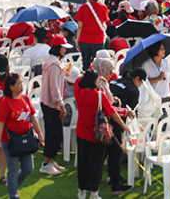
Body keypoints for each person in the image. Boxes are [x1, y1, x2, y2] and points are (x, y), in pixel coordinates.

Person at [75, 70, 127, 199]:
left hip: (82, 132)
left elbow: (77, 80)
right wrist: (124, 125)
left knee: (83, 163)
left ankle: (81, 191)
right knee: (96, 164)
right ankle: (94, 192)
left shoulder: (79, 92)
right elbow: (112, 114)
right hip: (97, 135)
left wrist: (85, 74)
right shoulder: (99, 95)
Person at [0, 73, 43, 199]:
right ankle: (13, 195)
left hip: (26, 139)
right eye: (19, 84)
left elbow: (33, 117)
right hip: (10, 141)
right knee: (13, 169)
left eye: (22, 83)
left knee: (28, 168)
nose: (22, 86)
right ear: (11, 87)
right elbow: (0, 124)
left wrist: (40, 134)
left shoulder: (26, 99)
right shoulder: (5, 102)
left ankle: (13, 186)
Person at [39, 37, 69, 175]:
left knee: (52, 133)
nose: (65, 49)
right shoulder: (54, 64)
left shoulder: (51, 62)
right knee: (54, 134)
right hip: (52, 104)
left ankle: (49, 161)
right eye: (63, 47)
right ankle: (46, 163)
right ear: (58, 48)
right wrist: (61, 106)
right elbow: (55, 89)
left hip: (47, 102)